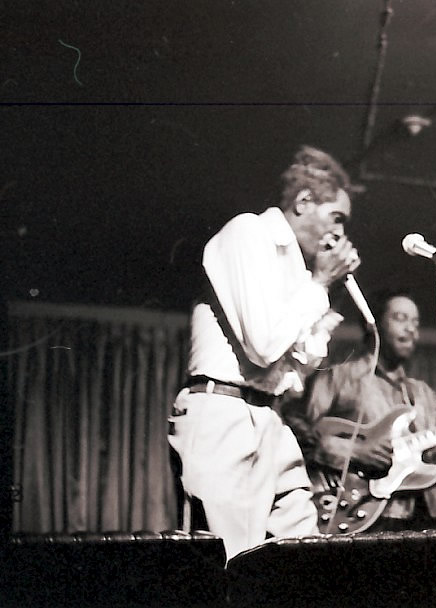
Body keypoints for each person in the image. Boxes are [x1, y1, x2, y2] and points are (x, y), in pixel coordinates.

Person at [167, 145, 362, 559]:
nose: (340, 234)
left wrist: (327, 300)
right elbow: (263, 345)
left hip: (269, 418)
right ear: (304, 202)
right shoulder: (248, 233)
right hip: (222, 412)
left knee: (302, 554)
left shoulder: (301, 272)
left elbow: (296, 371)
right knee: (231, 563)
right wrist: (320, 285)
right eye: (337, 218)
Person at [282, 288, 436, 533]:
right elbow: (295, 428)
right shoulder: (340, 377)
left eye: (416, 322)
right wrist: (352, 450)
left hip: (425, 517)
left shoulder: (423, 395)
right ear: (374, 326)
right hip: (362, 513)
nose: (411, 329)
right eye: (401, 318)